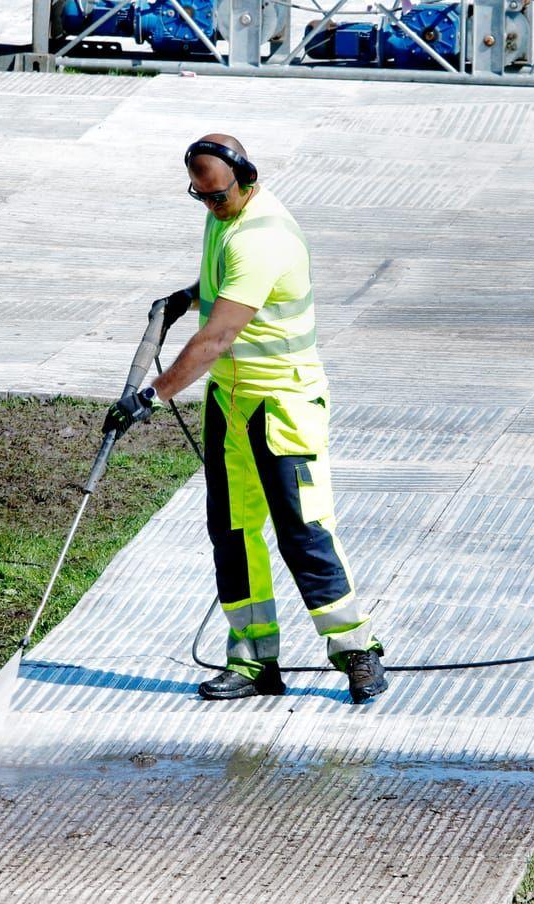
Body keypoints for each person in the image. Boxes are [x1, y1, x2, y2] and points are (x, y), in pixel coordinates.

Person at [104, 133, 387, 705]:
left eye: (216, 196)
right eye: (199, 196)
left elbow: (217, 338)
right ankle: (255, 661)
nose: (209, 206)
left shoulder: (262, 237)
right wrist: (191, 294)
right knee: (232, 534)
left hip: (282, 406)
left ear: (246, 178)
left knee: (302, 533)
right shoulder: (223, 214)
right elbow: (224, 292)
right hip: (230, 404)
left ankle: (358, 651)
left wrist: (151, 397)